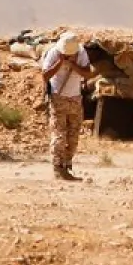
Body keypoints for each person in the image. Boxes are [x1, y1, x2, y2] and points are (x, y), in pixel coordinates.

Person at [41, 32, 94, 181]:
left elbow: (88, 74)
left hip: (75, 99)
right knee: (59, 135)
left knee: (73, 136)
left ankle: (67, 164)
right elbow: (45, 76)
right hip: (58, 98)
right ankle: (58, 168)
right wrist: (60, 63)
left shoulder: (81, 53)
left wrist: (72, 64)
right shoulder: (54, 53)